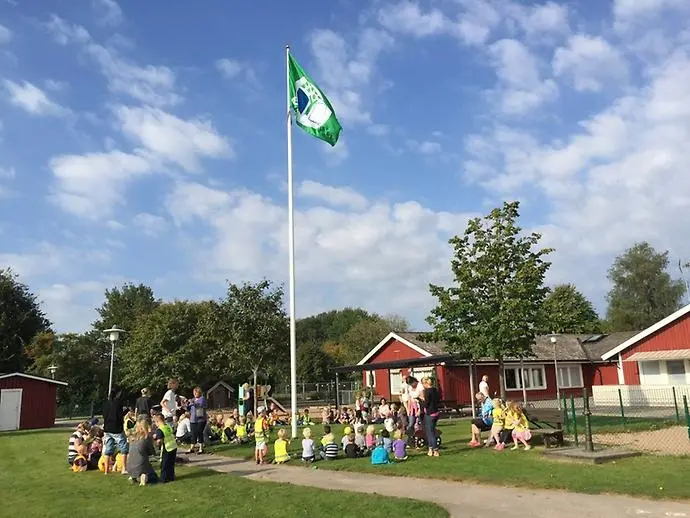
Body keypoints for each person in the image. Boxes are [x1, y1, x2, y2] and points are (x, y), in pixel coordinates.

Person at [102, 386, 128, 475]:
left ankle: (106, 470)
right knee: (124, 448)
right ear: (118, 393)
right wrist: (126, 411)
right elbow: (119, 416)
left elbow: (104, 415)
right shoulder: (118, 403)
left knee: (108, 449)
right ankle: (124, 468)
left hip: (107, 428)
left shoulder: (107, 403)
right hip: (116, 429)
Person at [126, 420, 158, 486]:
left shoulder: (132, 437)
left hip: (129, 465)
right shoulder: (146, 437)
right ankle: (143, 476)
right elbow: (152, 452)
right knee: (154, 477)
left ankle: (133, 477)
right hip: (141, 465)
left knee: (141, 459)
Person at [153, 413, 177, 483]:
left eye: (155, 422)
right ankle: (171, 477)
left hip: (167, 448)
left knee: (164, 464)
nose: (155, 424)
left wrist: (156, 443)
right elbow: (169, 434)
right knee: (171, 463)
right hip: (173, 446)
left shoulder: (159, 430)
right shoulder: (168, 426)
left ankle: (163, 479)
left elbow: (160, 441)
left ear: (157, 421)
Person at [421, 376, 441, 457]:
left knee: (430, 433)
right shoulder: (435, 390)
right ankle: (430, 449)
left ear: (425, 383)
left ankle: (435, 450)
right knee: (431, 431)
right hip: (436, 412)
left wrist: (421, 399)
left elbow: (426, 403)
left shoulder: (427, 391)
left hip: (430, 413)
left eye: (423, 383)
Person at [187, 386, 207, 454]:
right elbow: (188, 408)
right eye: (194, 392)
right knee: (193, 433)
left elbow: (200, 405)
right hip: (193, 419)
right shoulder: (193, 399)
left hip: (200, 419)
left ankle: (201, 448)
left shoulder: (202, 399)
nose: (195, 394)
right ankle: (192, 447)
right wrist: (187, 404)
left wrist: (193, 402)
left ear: (199, 393)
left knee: (199, 432)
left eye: (196, 392)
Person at [405, 376, 423, 442]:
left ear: (414, 381)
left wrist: (420, 410)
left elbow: (422, 398)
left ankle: (421, 438)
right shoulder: (410, 388)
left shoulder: (420, 386)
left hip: (419, 406)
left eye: (411, 383)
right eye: (409, 384)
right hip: (412, 407)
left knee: (420, 423)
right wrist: (408, 409)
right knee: (411, 424)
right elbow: (409, 398)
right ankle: (410, 439)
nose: (411, 385)